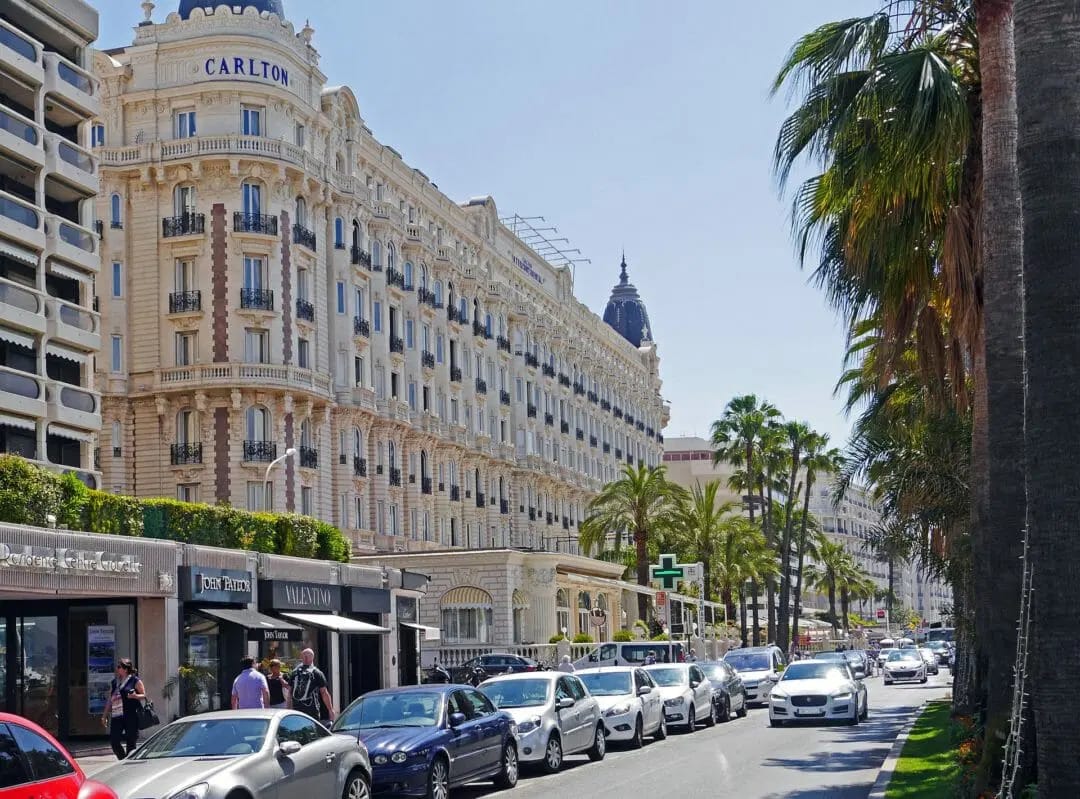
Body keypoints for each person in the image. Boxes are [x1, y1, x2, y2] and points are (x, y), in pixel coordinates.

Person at [101, 659, 145, 760]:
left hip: (131, 715)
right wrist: (104, 715)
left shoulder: (135, 680)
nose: (117, 669)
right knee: (114, 742)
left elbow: (143, 695)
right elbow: (110, 700)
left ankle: (129, 763)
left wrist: (135, 696)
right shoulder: (114, 682)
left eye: (119, 667)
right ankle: (123, 759)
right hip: (117, 716)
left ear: (125, 669)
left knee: (131, 743)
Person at [288, 648, 336, 722]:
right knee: (312, 731)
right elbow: (324, 693)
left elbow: (289, 693)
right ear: (312, 658)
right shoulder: (317, 673)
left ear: (302, 657)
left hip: (296, 710)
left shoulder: (294, 672)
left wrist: (288, 710)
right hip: (312, 710)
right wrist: (330, 710)